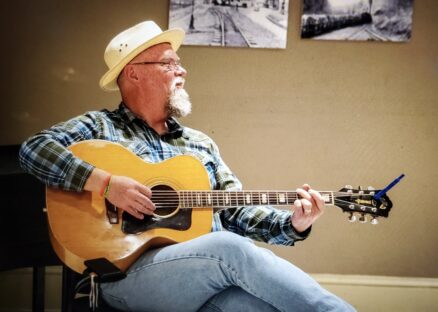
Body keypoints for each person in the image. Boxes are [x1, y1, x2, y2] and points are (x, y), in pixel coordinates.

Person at [19, 21, 355, 311]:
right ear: (134, 72)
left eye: (180, 64)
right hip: (122, 276)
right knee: (232, 248)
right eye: (170, 64)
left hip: (196, 278)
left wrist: (294, 224)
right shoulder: (100, 127)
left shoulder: (199, 144)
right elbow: (33, 150)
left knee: (257, 306)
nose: (183, 71)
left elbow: (236, 212)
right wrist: (107, 184)